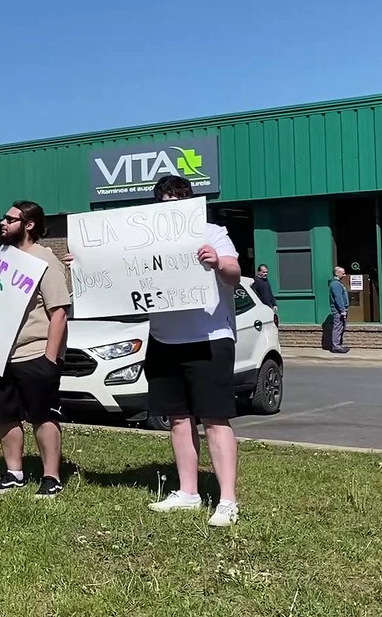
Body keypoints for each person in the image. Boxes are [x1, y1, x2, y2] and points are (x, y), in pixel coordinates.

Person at [130, 176, 243, 526]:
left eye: (178, 198)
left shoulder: (212, 232)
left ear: (191, 202)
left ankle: (227, 500)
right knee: (178, 419)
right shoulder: (143, 240)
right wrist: (89, 263)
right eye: (164, 199)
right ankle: (188, 493)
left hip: (209, 338)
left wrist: (217, 262)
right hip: (164, 339)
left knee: (214, 418)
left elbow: (234, 274)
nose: (171, 204)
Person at [0, 200, 70, 499]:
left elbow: (60, 312)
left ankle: (51, 477)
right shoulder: (1, 259)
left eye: (10, 219)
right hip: (0, 355)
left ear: (28, 225)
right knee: (6, 416)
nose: (3, 223)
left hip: (35, 353)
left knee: (43, 416)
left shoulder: (45, 261)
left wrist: (50, 360)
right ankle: (13, 473)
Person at [329, 266, 349, 354]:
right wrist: (342, 310)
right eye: (343, 273)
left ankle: (338, 345)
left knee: (340, 327)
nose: (344, 275)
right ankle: (336, 346)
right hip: (338, 310)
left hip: (340, 310)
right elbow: (338, 298)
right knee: (338, 327)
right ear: (337, 273)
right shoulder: (335, 284)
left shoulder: (337, 283)